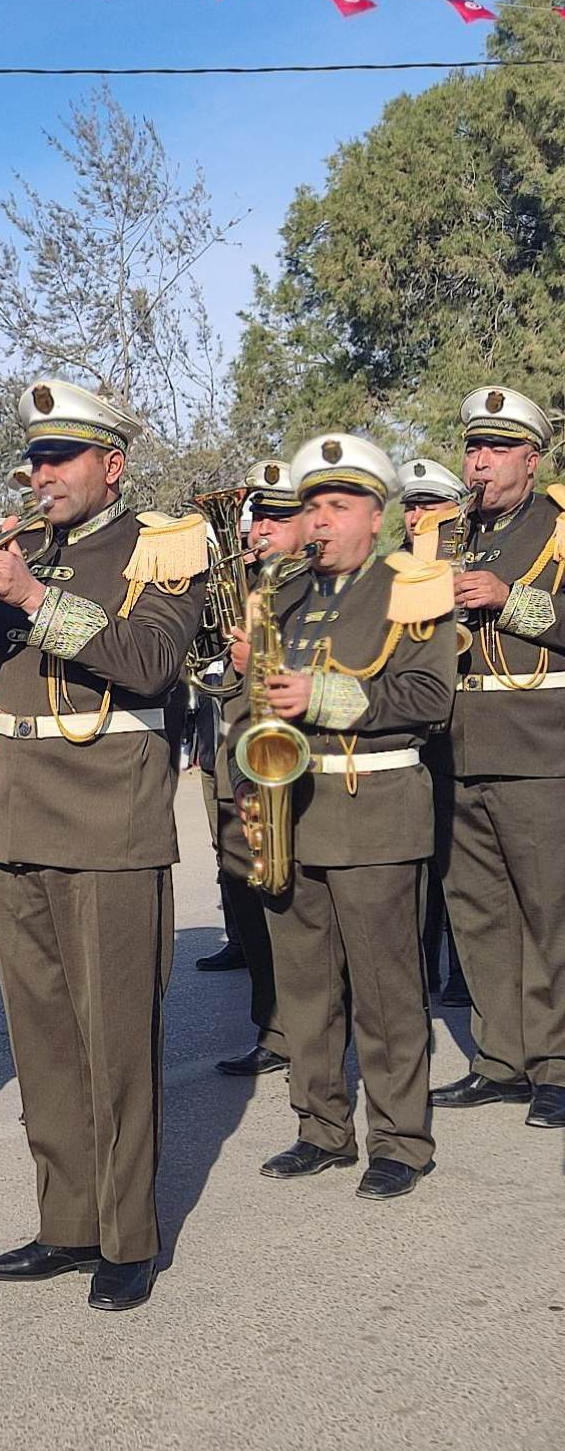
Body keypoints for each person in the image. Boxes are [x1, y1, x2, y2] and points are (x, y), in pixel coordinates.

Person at [0, 379, 207, 1312]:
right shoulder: (20, 549)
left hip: (110, 815)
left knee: (116, 1037)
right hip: (23, 811)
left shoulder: (160, 546)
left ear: (110, 465)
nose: (41, 474)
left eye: (61, 458)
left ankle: (129, 1236)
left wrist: (34, 593)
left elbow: (155, 662)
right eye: (35, 458)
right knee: (43, 1037)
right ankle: (65, 1221)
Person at [237, 434, 453, 1198]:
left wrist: (319, 698)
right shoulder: (286, 592)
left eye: (338, 506)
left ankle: (401, 1140)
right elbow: (259, 706)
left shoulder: (412, 583)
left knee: (388, 989)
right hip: (292, 807)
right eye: (313, 507)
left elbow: (430, 702)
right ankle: (320, 1128)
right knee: (305, 990)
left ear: (375, 512)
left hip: (375, 810)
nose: (320, 522)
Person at [433, 386, 565, 1130]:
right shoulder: (448, 531)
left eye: (495, 450)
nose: (478, 463)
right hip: (456, 741)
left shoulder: (557, 525)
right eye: (473, 449)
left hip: (540, 742)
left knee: (551, 910)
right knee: (478, 913)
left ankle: (558, 1065)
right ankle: (500, 1060)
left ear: (531, 457)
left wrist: (512, 599)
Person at [208, 461, 310, 1077]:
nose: (259, 529)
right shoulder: (241, 580)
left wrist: (260, 660)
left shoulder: (318, 585)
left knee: (294, 908)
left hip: (290, 762)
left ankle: (311, 1030)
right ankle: (273, 1030)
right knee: (250, 896)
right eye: (256, 517)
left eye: (276, 517)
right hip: (237, 758)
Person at [398, 456, 472, 1007]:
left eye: (430, 506)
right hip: (415, 733)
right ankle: (421, 967)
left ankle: (464, 972)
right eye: (410, 506)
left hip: (468, 729)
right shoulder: (394, 570)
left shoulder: (467, 557)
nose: (417, 516)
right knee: (422, 859)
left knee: (461, 860)